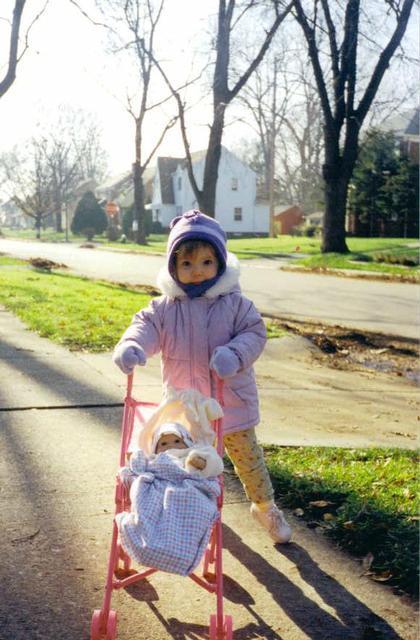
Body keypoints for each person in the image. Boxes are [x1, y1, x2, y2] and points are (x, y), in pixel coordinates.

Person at [113, 209, 291, 544]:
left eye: (206, 263)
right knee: (189, 464)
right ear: (173, 268)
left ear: (220, 263)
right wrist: (132, 345)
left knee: (249, 463)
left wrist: (234, 354)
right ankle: (199, 508)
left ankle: (265, 507)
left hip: (231, 404)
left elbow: (255, 334)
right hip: (186, 410)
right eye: (187, 264)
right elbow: (143, 325)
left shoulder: (237, 305)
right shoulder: (165, 308)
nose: (197, 272)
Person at [116, 422, 223, 575]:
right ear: (155, 448)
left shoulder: (195, 453)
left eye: (177, 441)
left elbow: (215, 466)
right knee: (146, 510)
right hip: (158, 489)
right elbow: (136, 470)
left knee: (194, 506)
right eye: (163, 443)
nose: (170, 446)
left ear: (187, 442)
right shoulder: (154, 459)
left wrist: (202, 463)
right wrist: (134, 459)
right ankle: (142, 541)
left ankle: (176, 549)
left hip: (189, 491)